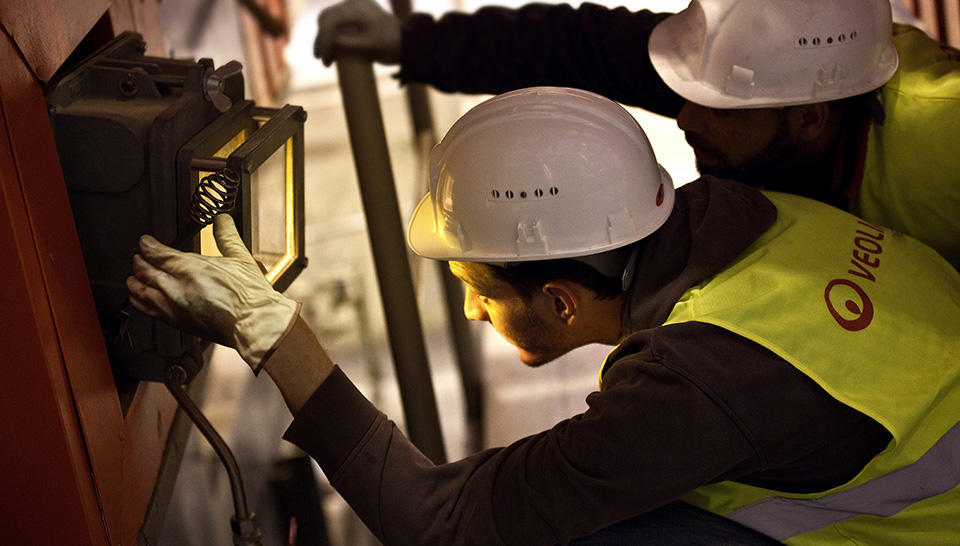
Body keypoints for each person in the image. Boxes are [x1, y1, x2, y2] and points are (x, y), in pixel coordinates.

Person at [127, 87, 960, 544]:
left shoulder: (694, 390)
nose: (469, 309)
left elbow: (437, 524)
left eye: (479, 290)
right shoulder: (749, 213)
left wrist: (276, 337)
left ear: (559, 300)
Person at [314, 0, 960, 269]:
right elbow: (577, 47)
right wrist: (412, 42)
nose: (686, 120)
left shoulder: (943, 140)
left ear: (812, 117)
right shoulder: (758, 76)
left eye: (718, 113)